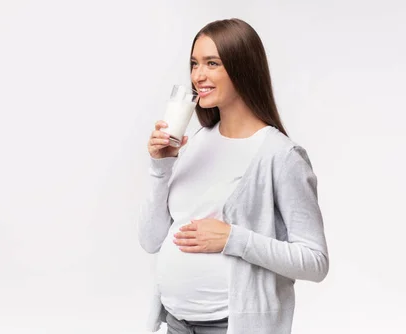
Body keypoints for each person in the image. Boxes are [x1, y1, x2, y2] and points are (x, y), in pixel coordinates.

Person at [138, 18, 329, 334]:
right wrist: (160, 168)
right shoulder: (197, 140)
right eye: (194, 64)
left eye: (212, 63)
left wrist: (232, 238)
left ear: (243, 67)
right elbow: (150, 240)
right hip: (176, 325)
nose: (198, 76)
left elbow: (315, 261)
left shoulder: (280, 155)